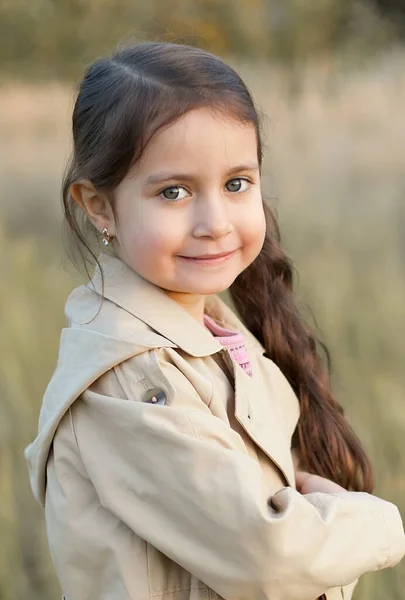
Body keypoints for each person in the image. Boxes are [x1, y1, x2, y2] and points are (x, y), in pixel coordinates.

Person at [25, 41, 405, 600]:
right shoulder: (131, 379)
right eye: (173, 192)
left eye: (236, 184)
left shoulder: (216, 336)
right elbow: (269, 557)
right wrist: (373, 525)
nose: (215, 223)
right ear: (99, 206)